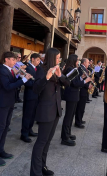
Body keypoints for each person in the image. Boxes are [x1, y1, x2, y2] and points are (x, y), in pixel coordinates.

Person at [30, 48, 70, 176]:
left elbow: (67, 83)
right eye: (58, 57)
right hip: (46, 111)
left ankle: (43, 166)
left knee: (48, 141)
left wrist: (59, 75)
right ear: (52, 57)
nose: (59, 60)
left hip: (56, 109)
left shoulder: (57, 69)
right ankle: (35, 172)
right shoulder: (42, 70)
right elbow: (35, 89)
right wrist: (46, 78)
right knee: (41, 141)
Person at [0, 52, 32, 166]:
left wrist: (20, 75)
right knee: (0, 128)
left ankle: (1, 150)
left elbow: (13, 82)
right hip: (3, 102)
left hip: (10, 101)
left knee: (6, 126)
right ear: (6, 59)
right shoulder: (2, 70)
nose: (15, 62)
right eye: (13, 60)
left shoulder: (10, 69)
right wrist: (23, 80)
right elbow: (7, 86)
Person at [61, 55, 92, 146]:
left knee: (71, 116)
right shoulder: (71, 69)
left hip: (74, 94)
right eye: (77, 60)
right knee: (68, 116)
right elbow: (74, 83)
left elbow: (75, 81)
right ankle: (64, 137)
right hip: (71, 94)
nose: (78, 61)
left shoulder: (73, 69)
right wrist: (85, 81)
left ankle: (68, 133)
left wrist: (82, 78)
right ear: (73, 60)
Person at [20, 53, 41, 143]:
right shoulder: (28, 68)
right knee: (27, 115)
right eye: (37, 60)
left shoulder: (37, 68)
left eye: (39, 60)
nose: (39, 62)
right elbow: (27, 83)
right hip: (30, 95)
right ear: (32, 59)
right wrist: (36, 85)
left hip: (36, 95)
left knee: (33, 115)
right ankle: (24, 134)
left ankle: (30, 130)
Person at [74, 58, 91, 128]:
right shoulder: (81, 69)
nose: (89, 64)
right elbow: (80, 81)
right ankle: (78, 122)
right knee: (80, 107)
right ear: (84, 63)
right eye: (87, 62)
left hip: (84, 90)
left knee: (82, 107)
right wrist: (87, 85)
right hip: (82, 90)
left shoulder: (84, 68)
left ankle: (80, 119)